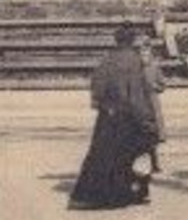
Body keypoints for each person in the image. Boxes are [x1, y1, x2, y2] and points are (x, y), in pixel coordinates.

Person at [69, 23, 159, 210]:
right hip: (127, 116)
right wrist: (147, 120)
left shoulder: (107, 59)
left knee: (101, 155)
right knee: (130, 155)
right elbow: (136, 95)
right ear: (132, 40)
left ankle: (90, 196)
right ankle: (125, 194)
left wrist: (101, 104)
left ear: (116, 40)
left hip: (107, 114)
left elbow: (97, 85)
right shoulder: (134, 61)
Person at [138, 37, 166, 173]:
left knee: (152, 137)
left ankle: (155, 163)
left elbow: (162, 85)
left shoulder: (155, 68)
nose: (144, 58)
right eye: (142, 55)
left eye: (147, 55)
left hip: (153, 104)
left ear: (151, 56)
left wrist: (156, 86)